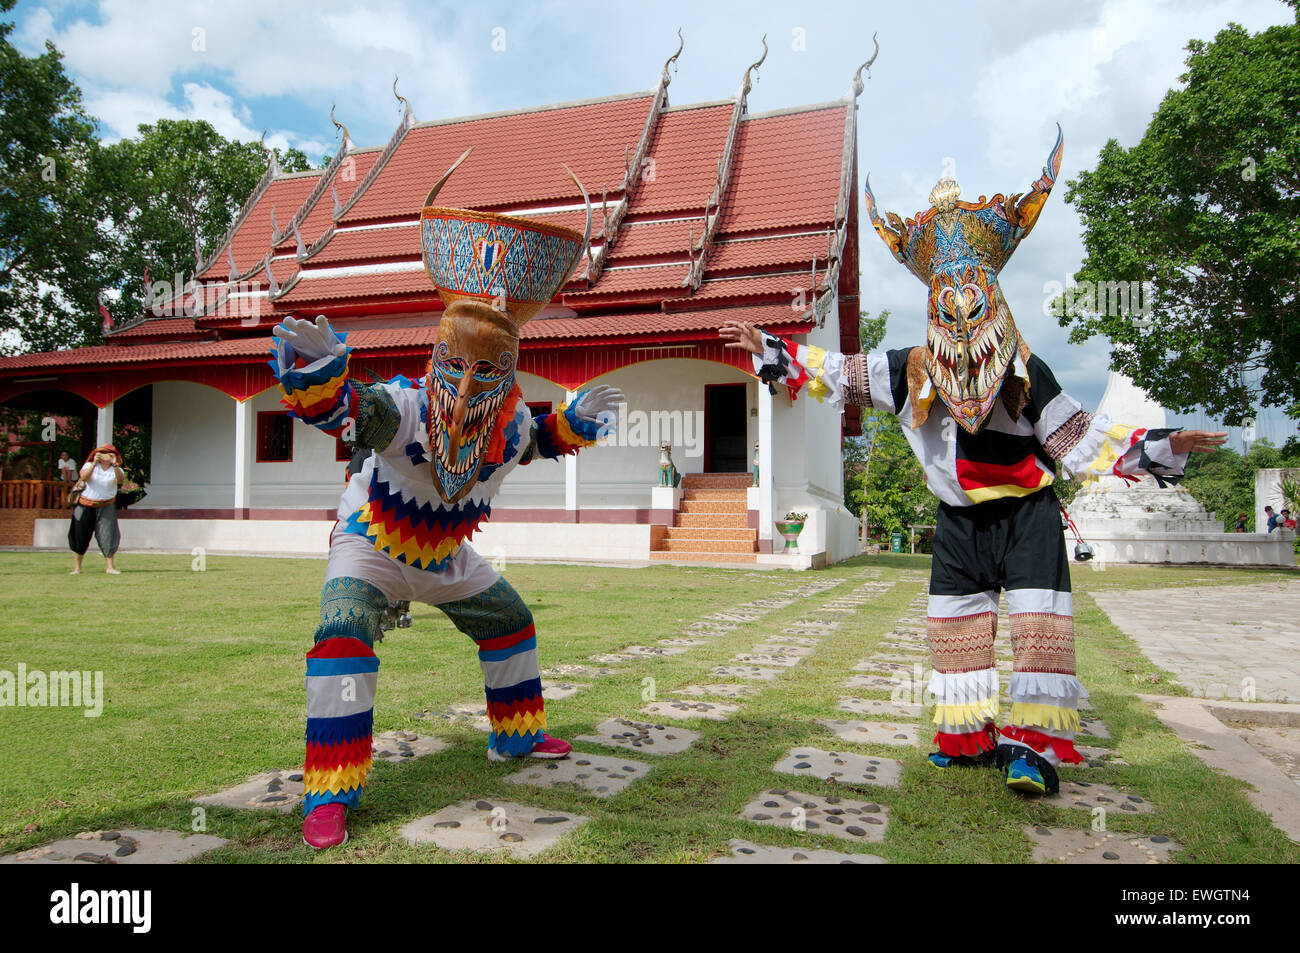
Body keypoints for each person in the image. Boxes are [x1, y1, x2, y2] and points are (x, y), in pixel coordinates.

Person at [721, 127, 1227, 799]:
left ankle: (1035, 750)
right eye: (949, 309)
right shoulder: (909, 370)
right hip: (958, 520)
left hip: (1028, 514)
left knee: (1040, 630)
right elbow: (837, 373)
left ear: (993, 305)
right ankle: (965, 740)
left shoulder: (1025, 369)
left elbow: (1084, 439)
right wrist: (773, 349)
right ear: (934, 309)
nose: (962, 325)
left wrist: (1165, 444)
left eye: (973, 307)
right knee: (954, 626)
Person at [276, 155, 622, 849]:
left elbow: (538, 442)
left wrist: (574, 423)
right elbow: (345, 409)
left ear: (510, 373)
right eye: (455, 365)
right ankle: (329, 789)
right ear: (435, 357)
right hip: (370, 543)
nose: (465, 388)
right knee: (342, 634)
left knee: (509, 621)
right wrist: (317, 377)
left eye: (486, 371)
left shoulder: (515, 422)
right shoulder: (401, 409)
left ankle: (516, 737)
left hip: (448, 554)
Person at [68, 444, 124, 575]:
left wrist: (114, 464)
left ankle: (110, 567)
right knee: (79, 535)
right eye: (102, 452)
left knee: (108, 535)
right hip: (84, 505)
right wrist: (94, 463)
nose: (105, 455)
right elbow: (83, 477)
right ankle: (77, 568)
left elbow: (120, 480)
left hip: (106, 506)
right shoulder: (89, 466)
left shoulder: (116, 469)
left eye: (109, 453)